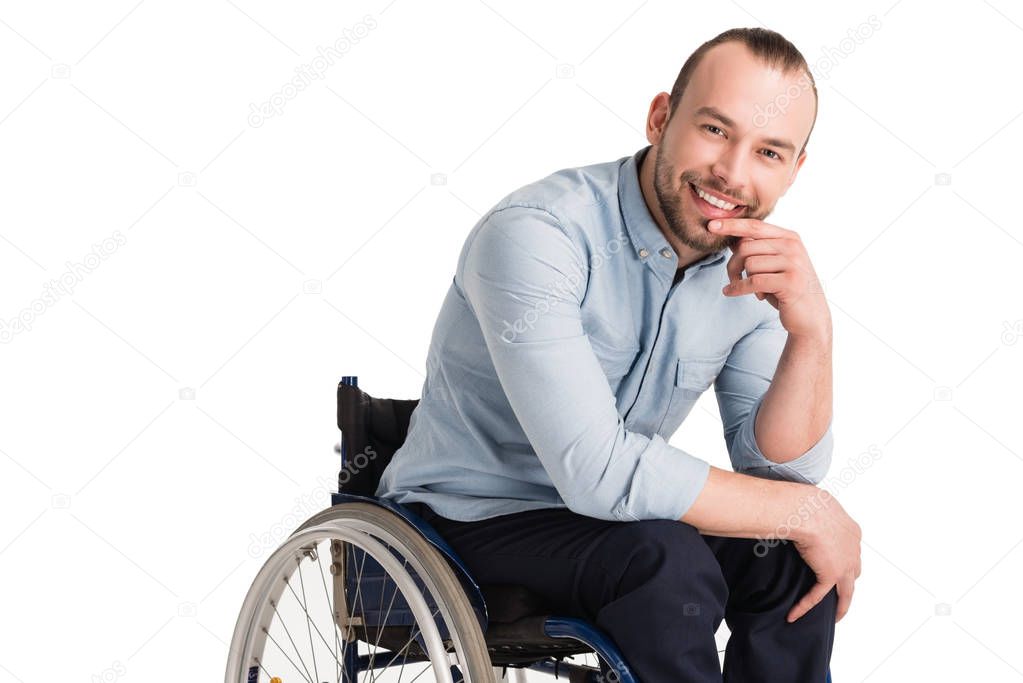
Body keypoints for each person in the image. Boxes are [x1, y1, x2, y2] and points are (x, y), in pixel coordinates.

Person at [377, 27, 862, 682]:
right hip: (469, 519)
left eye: (768, 151)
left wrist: (812, 334)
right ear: (661, 117)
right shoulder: (536, 234)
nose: (732, 172)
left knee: (789, 555)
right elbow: (595, 470)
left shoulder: (757, 270)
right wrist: (810, 512)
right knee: (667, 557)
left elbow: (777, 479)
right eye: (714, 130)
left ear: (793, 168)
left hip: (609, 525)